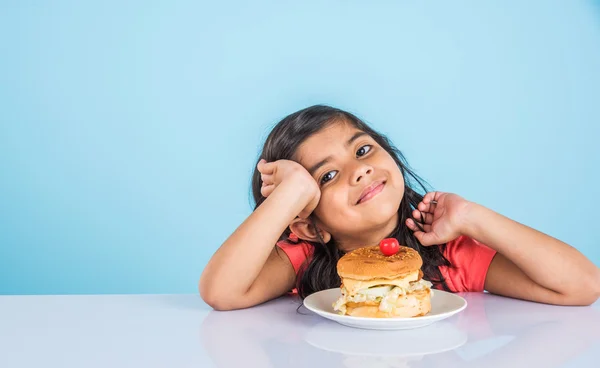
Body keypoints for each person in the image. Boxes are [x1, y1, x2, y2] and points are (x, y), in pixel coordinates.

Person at [199, 105, 600, 310]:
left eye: (362, 149)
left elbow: (583, 285)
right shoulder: (304, 258)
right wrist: (290, 195)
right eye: (327, 176)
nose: (359, 171)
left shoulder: (448, 257)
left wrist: (473, 218)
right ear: (309, 228)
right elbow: (221, 293)